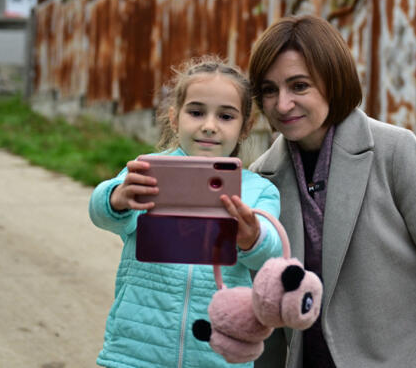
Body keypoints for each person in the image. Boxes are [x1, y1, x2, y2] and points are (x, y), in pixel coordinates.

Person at [248, 15, 416, 368]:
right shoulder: (262, 179)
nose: (282, 104)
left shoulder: (395, 151)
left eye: (299, 86)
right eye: (270, 90)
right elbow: (265, 305)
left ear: (333, 81)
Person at [89, 55, 283, 368]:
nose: (209, 126)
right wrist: (118, 198)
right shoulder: (148, 171)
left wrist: (252, 237)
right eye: (196, 112)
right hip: (136, 350)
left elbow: (269, 253)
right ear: (174, 117)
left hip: (218, 355)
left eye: (226, 116)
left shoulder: (258, 191)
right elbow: (100, 213)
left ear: (246, 127)